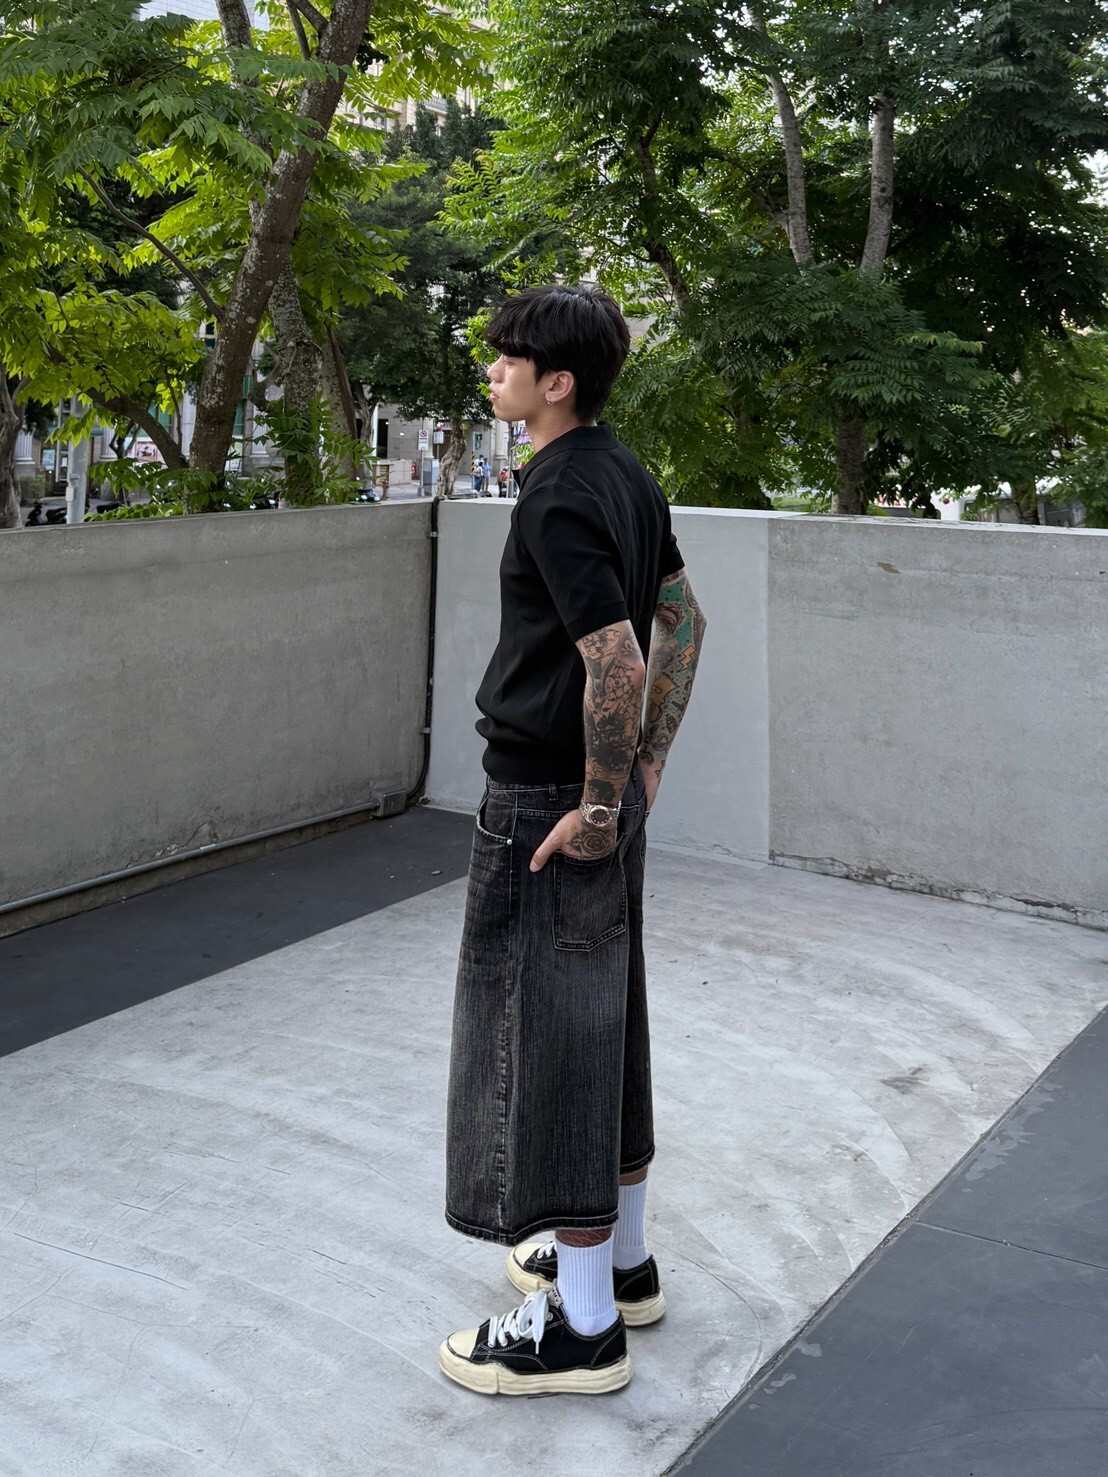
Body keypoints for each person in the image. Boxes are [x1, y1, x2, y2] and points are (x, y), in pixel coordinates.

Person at [440, 284, 707, 1396]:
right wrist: (643, 773)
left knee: (546, 1045)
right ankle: (624, 1263)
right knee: (605, 1027)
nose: (492, 372)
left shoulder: (555, 489)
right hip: (596, 790)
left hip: (549, 803)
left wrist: (596, 810)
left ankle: (582, 1325)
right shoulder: (623, 470)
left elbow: (620, 659)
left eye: (508, 360)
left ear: (557, 382)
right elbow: (684, 619)